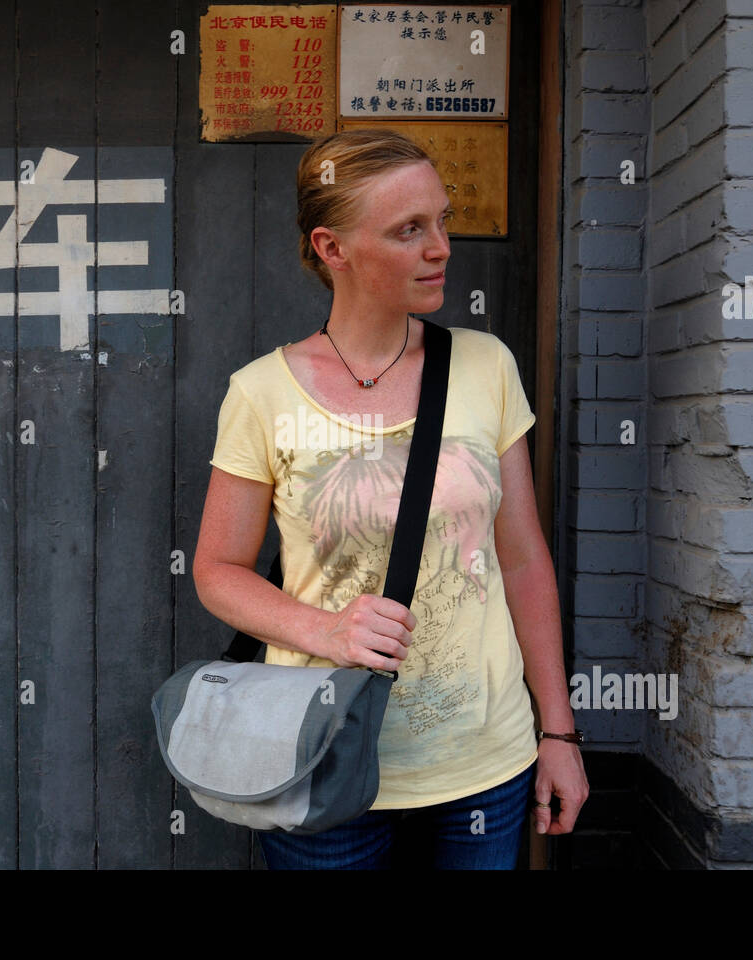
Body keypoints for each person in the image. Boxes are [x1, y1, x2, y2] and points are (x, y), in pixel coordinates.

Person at [192, 129, 587, 869]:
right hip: (322, 758)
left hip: (482, 768)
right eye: (410, 230)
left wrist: (558, 733)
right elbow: (217, 569)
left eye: (441, 221)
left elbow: (524, 557)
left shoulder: (485, 366)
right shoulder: (261, 393)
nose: (440, 247)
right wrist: (326, 630)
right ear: (333, 248)